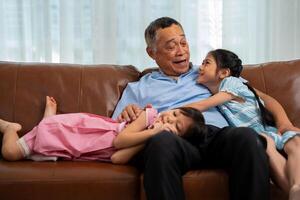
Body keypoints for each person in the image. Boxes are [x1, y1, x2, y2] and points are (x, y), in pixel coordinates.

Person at [112, 17, 295, 200]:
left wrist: (284, 123)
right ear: (152, 52)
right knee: (160, 143)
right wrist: (128, 114)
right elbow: (115, 127)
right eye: (171, 46)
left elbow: (260, 98)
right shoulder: (137, 88)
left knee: (246, 137)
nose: (181, 51)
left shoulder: (209, 73)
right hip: (173, 138)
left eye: (183, 42)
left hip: (215, 135)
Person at [186, 48, 300, 199]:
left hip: (266, 129)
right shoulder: (222, 88)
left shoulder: (231, 83)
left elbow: (203, 105)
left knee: (295, 140)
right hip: (259, 136)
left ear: (224, 73)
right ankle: (293, 191)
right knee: (268, 145)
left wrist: (172, 111)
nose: (200, 67)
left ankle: (297, 185)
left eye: (206, 63)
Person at [0, 96, 206, 164]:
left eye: (176, 126)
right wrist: (152, 132)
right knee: (10, 153)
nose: (170, 118)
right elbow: (119, 141)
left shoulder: (152, 142)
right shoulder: (149, 116)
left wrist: (149, 139)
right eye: (176, 113)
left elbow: (117, 158)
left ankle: (47, 121)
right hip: (79, 132)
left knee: (46, 137)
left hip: (85, 146)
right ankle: (11, 127)